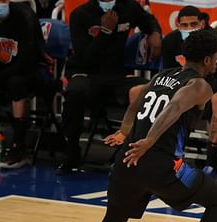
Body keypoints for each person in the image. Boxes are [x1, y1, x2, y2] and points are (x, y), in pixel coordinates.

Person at [44, 30, 217, 222]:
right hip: (160, 165)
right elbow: (176, 106)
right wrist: (149, 141)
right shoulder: (200, 85)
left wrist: (124, 131)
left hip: (127, 162)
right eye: (216, 58)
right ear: (208, 59)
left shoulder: (162, 75)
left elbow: (136, 101)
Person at [57, 0, 162, 173]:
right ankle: (72, 151)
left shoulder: (129, 7)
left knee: (147, 90)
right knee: (76, 92)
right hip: (85, 72)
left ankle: (131, 152)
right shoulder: (80, 14)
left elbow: (148, 20)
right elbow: (84, 58)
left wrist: (154, 33)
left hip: (115, 75)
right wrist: (105, 32)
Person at [161, 6, 217, 178]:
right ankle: (168, 158)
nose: (189, 28)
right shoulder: (170, 41)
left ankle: (210, 166)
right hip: (188, 93)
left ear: (202, 23)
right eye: (185, 25)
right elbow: (167, 76)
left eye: (193, 24)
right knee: (168, 96)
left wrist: (200, 96)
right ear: (178, 25)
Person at [0, 0, 46, 168]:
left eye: (2, 0)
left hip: (25, 73)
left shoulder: (25, 17)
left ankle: (19, 148)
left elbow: (27, 61)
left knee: (16, 83)